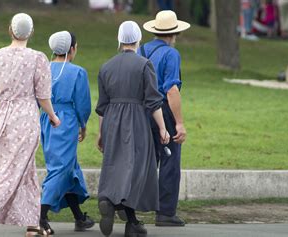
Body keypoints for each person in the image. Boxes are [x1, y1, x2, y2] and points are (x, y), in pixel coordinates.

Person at [0, 13, 61, 237]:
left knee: (24, 169)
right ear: (31, 33)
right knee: (11, 170)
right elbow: (43, 96)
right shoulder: (37, 58)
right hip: (25, 116)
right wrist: (53, 117)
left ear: (10, 30)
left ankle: (32, 225)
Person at [96, 21, 170, 237]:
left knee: (115, 164)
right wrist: (163, 128)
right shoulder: (144, 64)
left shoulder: (106, 66)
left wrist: (100, 133)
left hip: (111, 121)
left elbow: (101, 106)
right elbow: (153, 102)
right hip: (136, 120)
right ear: (138, 40)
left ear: (119, 40)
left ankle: (109, 200)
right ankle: (130, 221)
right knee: (137, 169)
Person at [38, 31, 95, 234]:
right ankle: (40, 215)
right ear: (72, 48)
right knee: (61, 168)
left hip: (45, 117)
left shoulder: (43, 68)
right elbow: (83, 102)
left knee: (69, 167)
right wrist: (83, 124)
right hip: (65, 119)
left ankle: (79, 217)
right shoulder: (77, 72)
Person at [140, 10, 190, 227]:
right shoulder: (171, 54)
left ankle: (133, 204)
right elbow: (171, 89)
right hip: (163, 110)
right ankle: (166, 212)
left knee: (146, 160)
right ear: (174, 32)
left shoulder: (141, 50)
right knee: (170, 160)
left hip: (142, 110)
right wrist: (179, 122)